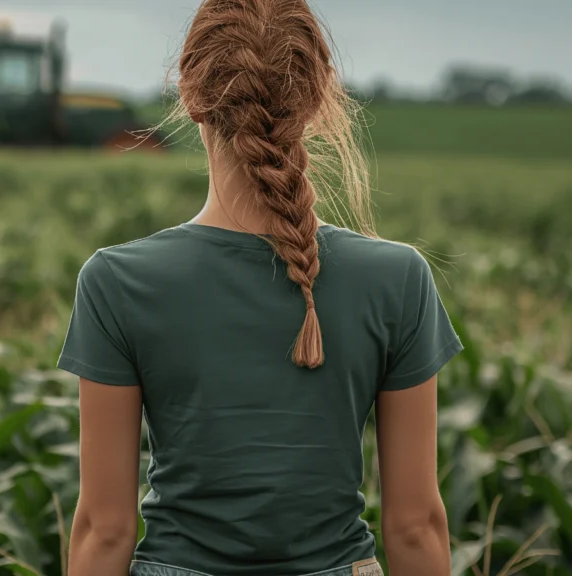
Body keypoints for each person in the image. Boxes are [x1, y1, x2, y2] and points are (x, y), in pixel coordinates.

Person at [56, 1, 463, 575]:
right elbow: (415, 526)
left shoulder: (118, 281)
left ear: (190, 96)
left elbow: (105, 528)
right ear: (320, 96)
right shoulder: (399, 279)